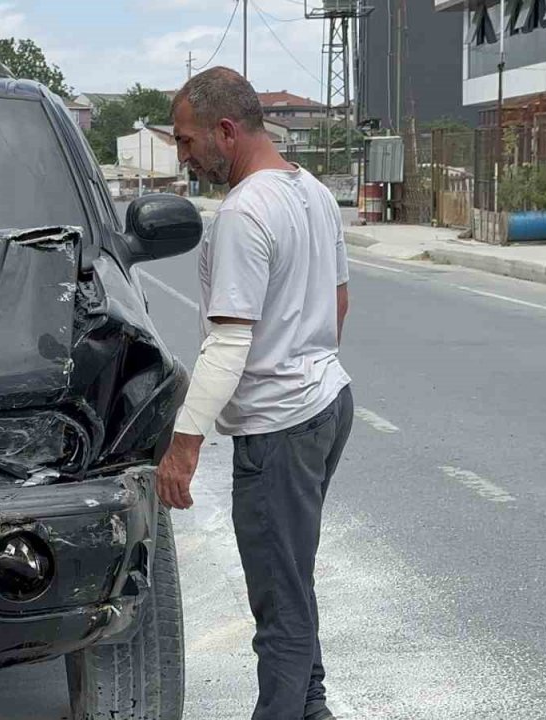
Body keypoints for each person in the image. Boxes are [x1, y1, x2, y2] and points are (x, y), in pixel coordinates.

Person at [156, 66, 354, 720]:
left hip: (280, 427)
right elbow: (338, 302)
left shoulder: (243, 213)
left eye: (187, 141)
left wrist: (184, 448)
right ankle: (314, 709)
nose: (183, 156)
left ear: (226, 129)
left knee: (279, 606)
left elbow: (229, 343)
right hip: (326, 403)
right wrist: (304, 356)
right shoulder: (312, 193)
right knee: (290, 582)